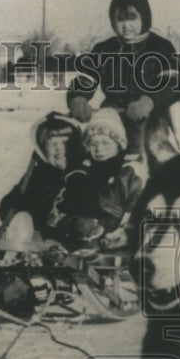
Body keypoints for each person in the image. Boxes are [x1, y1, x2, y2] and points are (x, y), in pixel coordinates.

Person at [67, 0, 178, 157]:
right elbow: (85, 80)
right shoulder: (104, 48)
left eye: (132, 18)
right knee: (91, 148)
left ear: (144, 18)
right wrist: (78, 99)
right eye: (120, 19)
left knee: (149, 150)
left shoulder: (161, 47)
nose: (126, 26)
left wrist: (148, 102)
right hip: (112, 114)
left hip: (149, 116)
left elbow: (172, 86)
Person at [48, 108, 144, 252]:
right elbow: (56, 214)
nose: (99, 149)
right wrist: (74, 223)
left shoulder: (131, 173)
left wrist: (108, 234)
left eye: (105, 143)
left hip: (117, 250)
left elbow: (137, 215)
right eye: (93, 144)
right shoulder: (79, 173)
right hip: (78, 249)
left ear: (119, 145)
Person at [0, 111, 82, 249]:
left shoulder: (83, 174)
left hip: (69, 243)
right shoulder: (39, 176)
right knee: (22, 219)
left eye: (64, 142)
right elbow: (8, 207)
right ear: (43, 150)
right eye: (53, 144)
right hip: (38, 243)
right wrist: (17, 210)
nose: (59, 149)